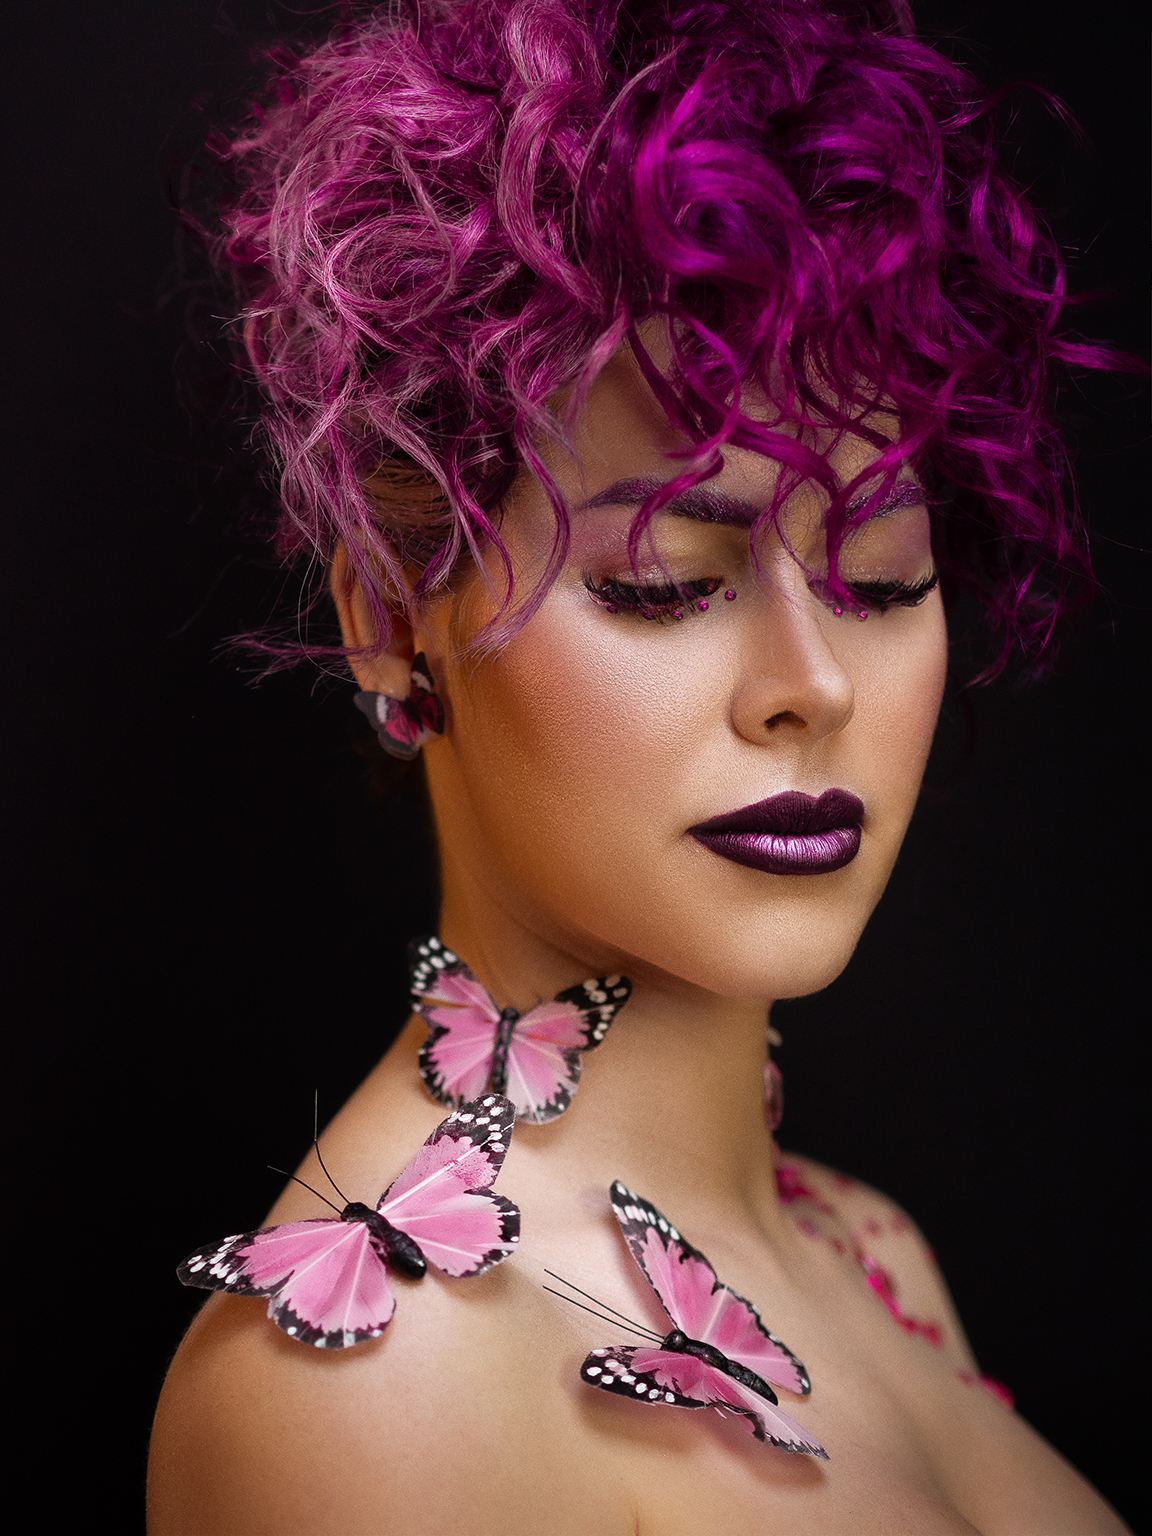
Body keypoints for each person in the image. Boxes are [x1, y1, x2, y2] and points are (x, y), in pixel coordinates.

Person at [147, 1, 1131, 1530]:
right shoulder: (371, 1400)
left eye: (882, 576)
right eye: (666, 582)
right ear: (390, 620)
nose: (811, 687)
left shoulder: (874, 1252)